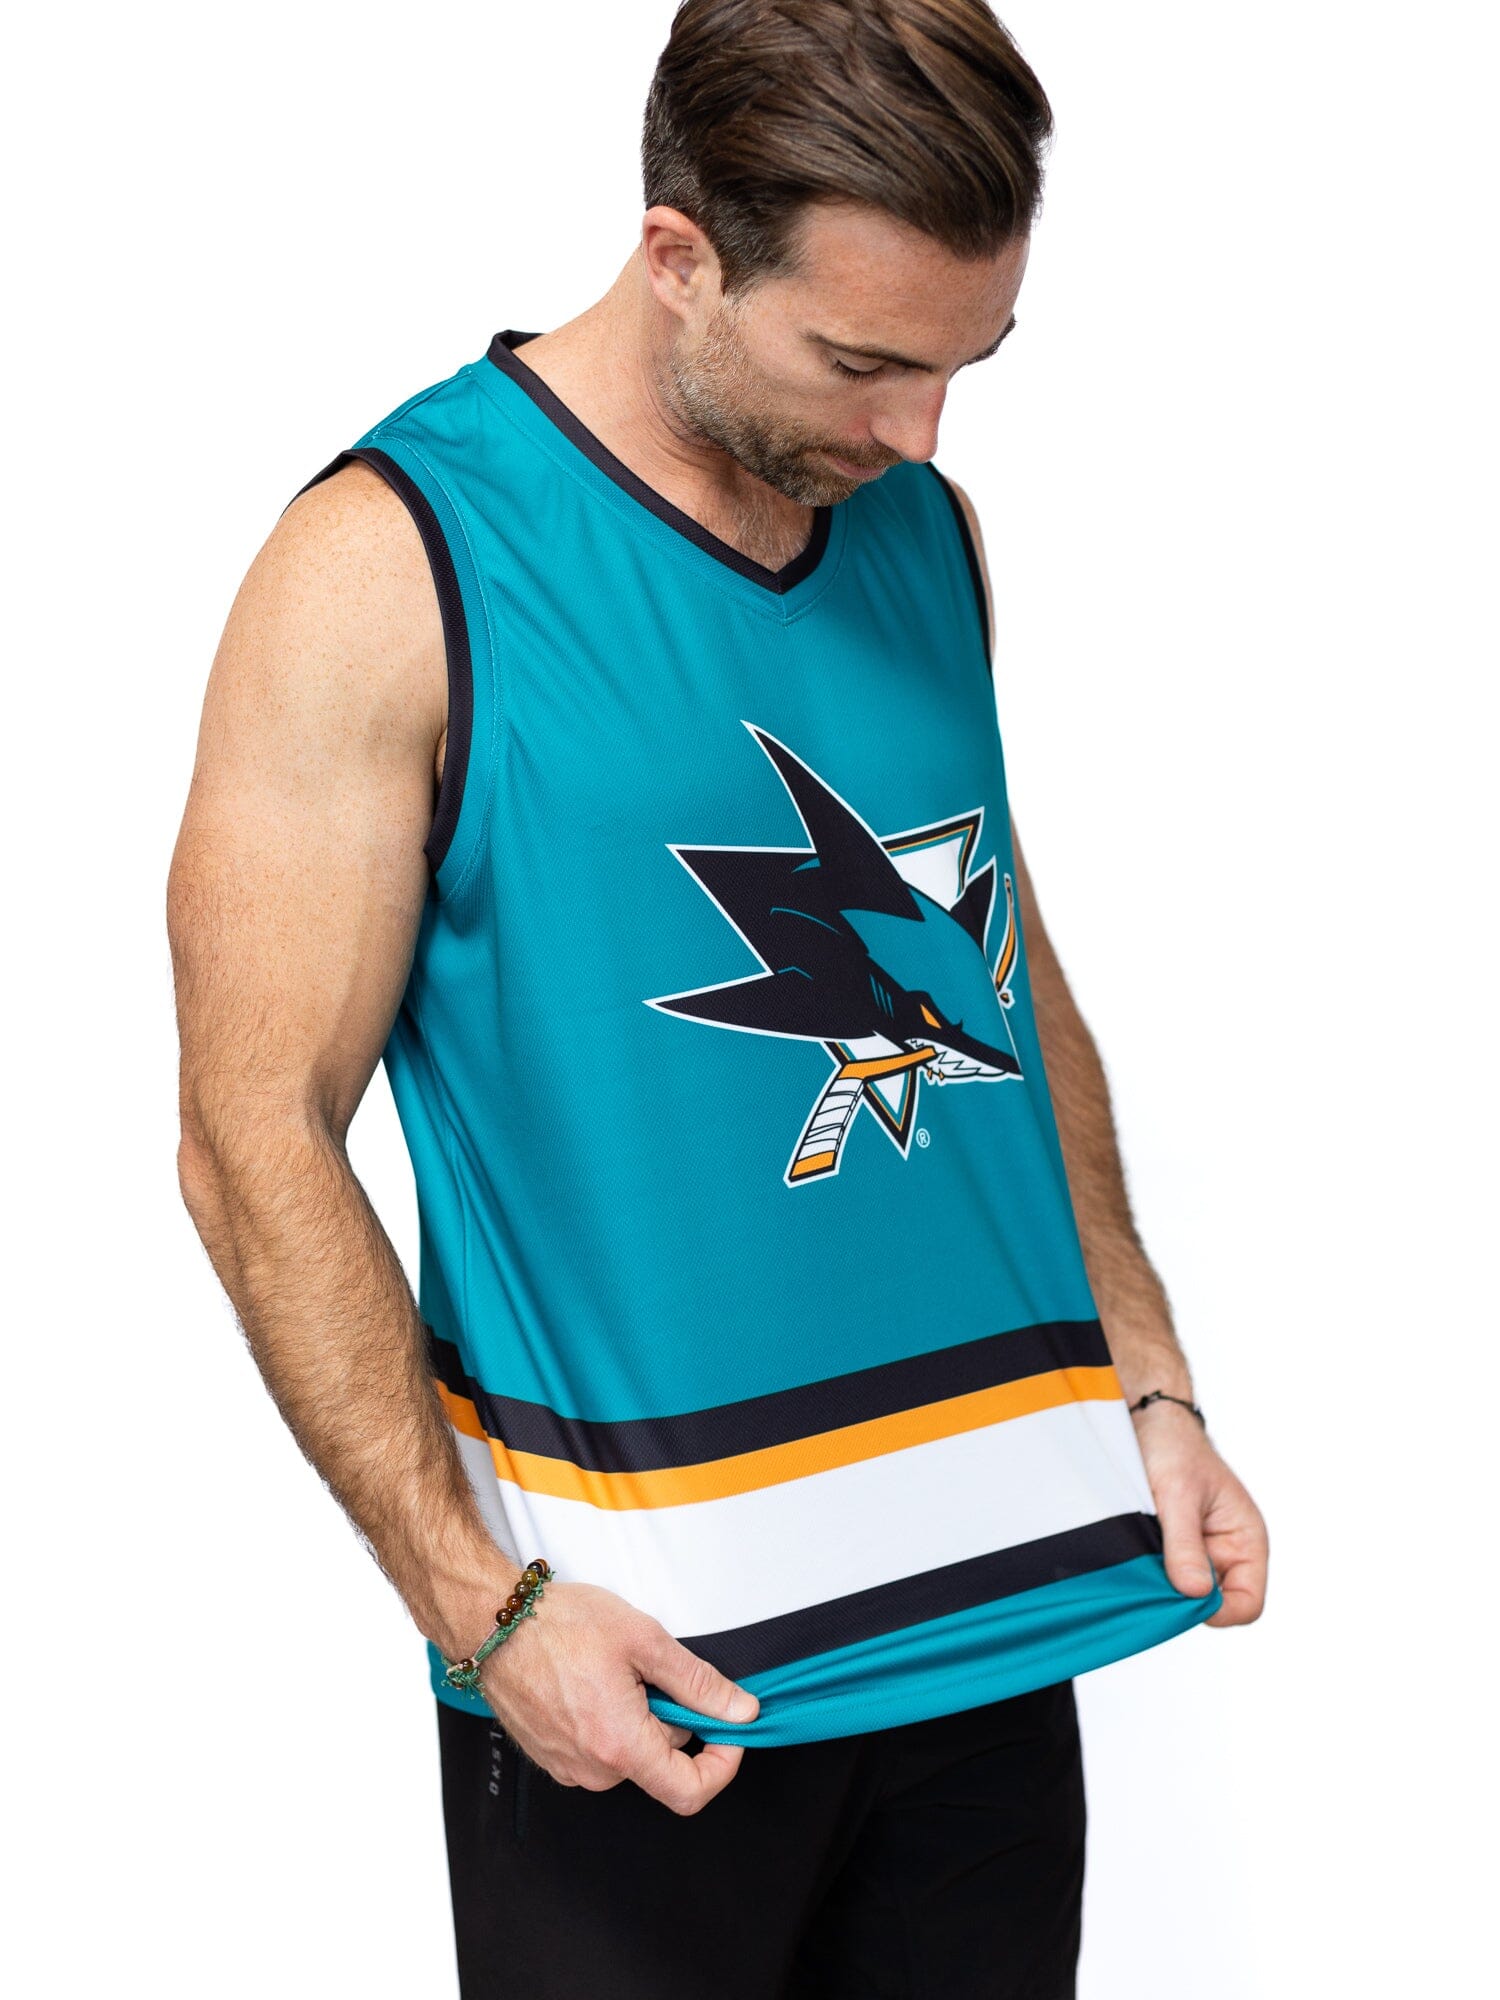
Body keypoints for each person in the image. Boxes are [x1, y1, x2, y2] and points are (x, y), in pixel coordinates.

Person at [168, 2, 1268, 1993]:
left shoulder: (920, 530)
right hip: (637, 1673)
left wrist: (1146, 1379)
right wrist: (482, 1609)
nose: (921, 434)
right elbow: (251, 1134)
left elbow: (994, 968)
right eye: (862, 361)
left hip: (996, 1614)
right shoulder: (389, 567)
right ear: (679, 254)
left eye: (965, 362)